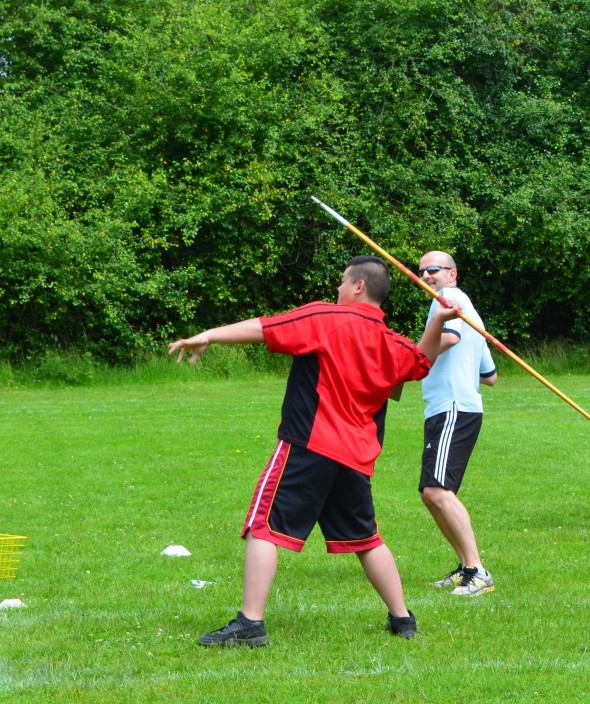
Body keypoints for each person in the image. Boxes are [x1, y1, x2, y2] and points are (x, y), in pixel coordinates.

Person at [168, 256, 459, 647]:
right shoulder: (390, 341)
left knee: (263, 527)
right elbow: (420, 361)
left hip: (309, 446)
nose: (338, 288)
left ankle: (250, 624)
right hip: (356, 457)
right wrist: (438, 322)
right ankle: (402, 619)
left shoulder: (326, 316)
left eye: (342, 281)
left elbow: (265, 328)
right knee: (367, 538)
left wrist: (209, 334)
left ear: (358, 286)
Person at [416, 252, 498, 596]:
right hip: (450, 407)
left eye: (432, 270)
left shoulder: (448, 300)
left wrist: (413, 357)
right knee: (431, 493)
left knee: (437, 491)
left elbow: (449, 338)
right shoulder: (467, 309)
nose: (425, 276)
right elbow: (490, 376)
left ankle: (478, 571)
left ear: (452, 274)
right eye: (421, 272)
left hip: (453, 407)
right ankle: (466, 566)